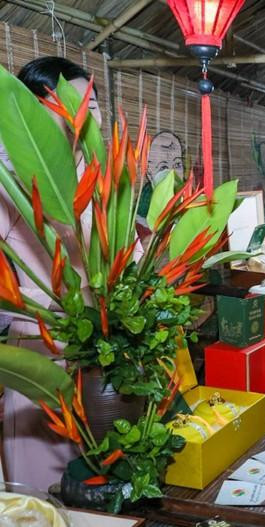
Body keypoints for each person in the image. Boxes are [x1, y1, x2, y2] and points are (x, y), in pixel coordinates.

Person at [1, 56, 102, 490]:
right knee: (44, 500)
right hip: (40, 362)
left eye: (92, 106)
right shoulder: (10, 180)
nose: (86, 116)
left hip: (102, 365)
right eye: (70, 104)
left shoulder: (97, 176)